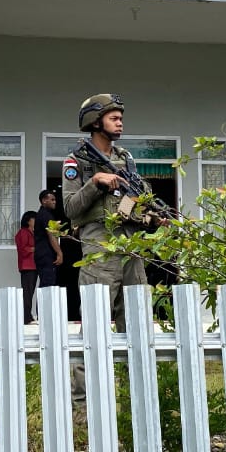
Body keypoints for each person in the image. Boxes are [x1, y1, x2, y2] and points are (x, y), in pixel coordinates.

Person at [61, 93, 153, 333]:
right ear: (95, 122)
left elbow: (138, 199)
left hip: (131, 245)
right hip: (99, 246)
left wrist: (152, 217)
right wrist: (95, 182)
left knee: (138, 321)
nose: (120, 123)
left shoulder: (125, 159)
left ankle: (134, 361)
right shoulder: (76, 161)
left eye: (121, 118)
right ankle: (92, 361)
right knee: (96, 322)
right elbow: (70, 208)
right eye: (114, 118)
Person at [33, 189, 64, 292]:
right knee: (47, 285)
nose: (55, 202)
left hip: (42, 255)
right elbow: (51, 235)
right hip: (45, 255)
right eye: (52, 199)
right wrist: (59, 253)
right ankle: (43, 303)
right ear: (44, 201)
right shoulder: (45, 215)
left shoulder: (43, 214)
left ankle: (43, 303)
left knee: (45, 284)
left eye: (55, 200)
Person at [14, 210, 38, 324]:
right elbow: (23, 249)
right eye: (34, 219)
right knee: (27, 293)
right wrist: (35, 249)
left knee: (30, 292)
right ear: (28, 221)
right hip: (27, 266)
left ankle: (28, 315)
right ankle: (25, 317)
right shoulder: (23, 232)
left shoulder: (33, 232)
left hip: (33, 266)